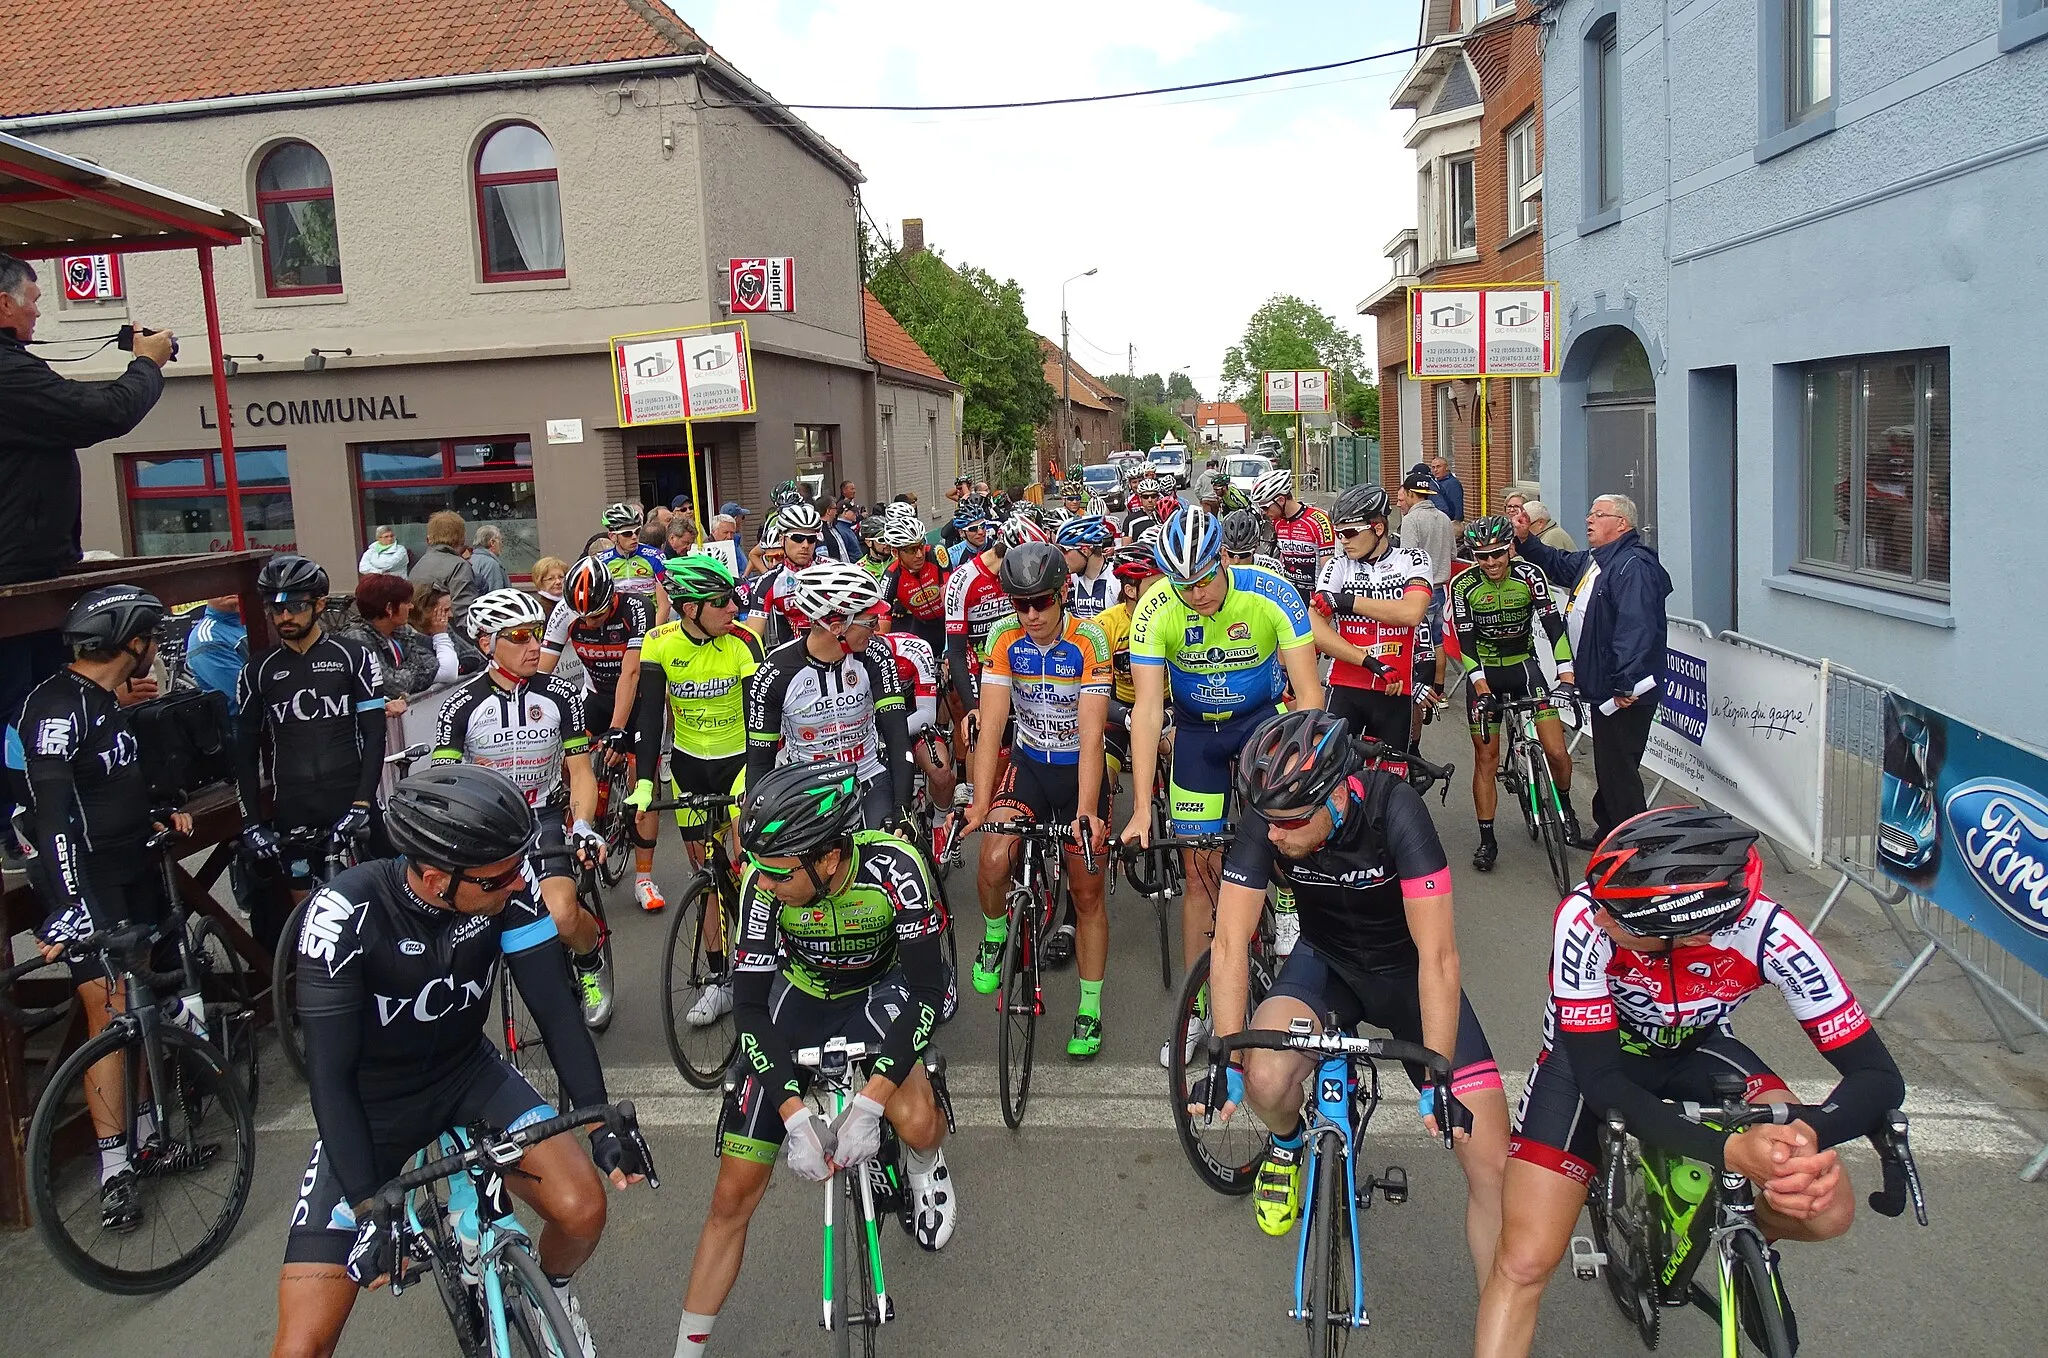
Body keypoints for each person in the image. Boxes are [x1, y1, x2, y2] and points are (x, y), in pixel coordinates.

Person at [1473, 807, 1907, 1358]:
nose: (1601, 919)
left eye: (1624, 922)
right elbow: (1603, 1082)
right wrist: (1729, 1150)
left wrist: (1807, 1136)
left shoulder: (1772, 934)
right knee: (1523, 1261)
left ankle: (1754, 1234)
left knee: (1827, 1209)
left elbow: (1876, 1075)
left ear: (1694, 932)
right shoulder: (1584, 918)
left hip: (1699, 1047)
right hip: (1593, 1059)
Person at [270, 764, 647, 1358]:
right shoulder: (343, 915)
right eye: (496, 880)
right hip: (374, 1109)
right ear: (434, 875)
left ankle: (548, 1291)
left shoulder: (506, 881)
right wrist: (370, 1205)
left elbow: (556, 1013)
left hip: (468, 1076)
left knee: (582, 1209)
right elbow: (330, 1076)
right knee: (299, 1348)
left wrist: (599, 1122)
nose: (517, 886)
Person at [1204, 709, 1507, 1284]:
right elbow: (1228, 943)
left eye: (1289, 821)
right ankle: (1289, 1143)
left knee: (1493, 1168)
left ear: (1337, 795)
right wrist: (1227, 1056)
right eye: (1266, 819)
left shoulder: (1397, 811)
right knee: (1265, 1078)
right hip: (1327, 965)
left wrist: (1439, 1075)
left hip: (1410, 977)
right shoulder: (1269, 818)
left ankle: (1501, 1315)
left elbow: (1440, 958)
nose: (1272, 834)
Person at [671, 761, 954, 1358]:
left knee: (915, 1119)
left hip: (881, 992)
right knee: (731, 1194)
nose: (762, 883)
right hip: (800, 997)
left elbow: (930, 990)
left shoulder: (897, 869)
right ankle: (687, 1350)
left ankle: (926, 1163)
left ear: (827, 859)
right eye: (759, 869)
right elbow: (748, 1009)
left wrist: (874, 1099)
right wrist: (796, 1115)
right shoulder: (761, 883)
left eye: (777, 872)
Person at [12, 584, 212, 1232]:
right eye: (153, 636)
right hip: (89, 878)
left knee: (145, 1004)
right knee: (112, 1012)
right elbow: (55, 819)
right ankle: (114, 1169)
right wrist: (72, 906)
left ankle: (151, 1140)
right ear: (132, 641)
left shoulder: (104, 702)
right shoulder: (55, 706)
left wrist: (154, 812)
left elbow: (108, 786)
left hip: (131, 866)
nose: (157, 647)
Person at [1118, 505, 1325, 1065]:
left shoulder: (1271, 593)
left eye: (1206, 577)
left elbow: (1309, 696)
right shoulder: (1156, 607)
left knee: (1280, 839)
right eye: (1183, 583)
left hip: (1264, 726)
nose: (1197, 592)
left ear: (1225, 558)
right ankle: (1199, 1011)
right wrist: (1139, 809)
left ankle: (1285, 903)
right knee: (1198, 869)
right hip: (1196, 737)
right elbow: (1147, 709)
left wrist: (1301, 780)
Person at [1, 256, 172, 865]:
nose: (39, 309)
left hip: (33, 571)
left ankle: (50, 813)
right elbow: (98, 413)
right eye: (33, 298)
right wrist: (146, 364)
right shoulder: (7, 373)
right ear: (3, 305)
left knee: (43, 702)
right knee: (22, 709)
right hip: (15, 577)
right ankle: (25, 822)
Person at [961, 541, 1115, 1056]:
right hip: (1029, 766)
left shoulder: (1088, 640)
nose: (1030, 615)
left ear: (1062, 593)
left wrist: (1088, 811)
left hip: (1078, 774)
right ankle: (993, 931)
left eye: (1041, 602)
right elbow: (992, 729)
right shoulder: (1004, 640)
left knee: (1087, 891)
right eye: (1019, 603)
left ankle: (1090, 1009)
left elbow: (1092, 737)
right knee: (992, 854)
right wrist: (982, 803)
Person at [433, 589, 612, 1027]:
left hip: (543, 816)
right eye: (517, 636)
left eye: (536, 633)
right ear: (485, 644)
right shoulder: (460, 705)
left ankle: (590, 961)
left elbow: (581, 773)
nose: (534, 646)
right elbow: (445, 784)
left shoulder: (560, 695)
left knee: (563, 914)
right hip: (485, 827)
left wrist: (584, 825)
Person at [629, 555, 763, 1026]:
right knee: (706, 873)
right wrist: (645, 780)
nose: (733, 608)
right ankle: (718, 978)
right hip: (688, 766)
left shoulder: (744, 641)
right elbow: (648, 720)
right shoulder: (658, 642)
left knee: (751, 867)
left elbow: (759, 725)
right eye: (721, 602)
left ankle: (764, 956)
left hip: (739, 763)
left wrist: (757, 782)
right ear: (689, 610)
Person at [234, 555, 389, 953]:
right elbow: (245, 752)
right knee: (305, 925)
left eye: (296, 605)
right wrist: (251, 822)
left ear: (320, 604)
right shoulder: (258, 670)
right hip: (295, 806)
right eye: (276, 608)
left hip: (348, 795)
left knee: (382, 901)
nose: (284, 616)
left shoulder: (352, 655)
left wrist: (361, 802)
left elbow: (374, 736)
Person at [1513, 493, 1670, 844]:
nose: (1589, 520)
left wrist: (1626, 683)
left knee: (1620, 769)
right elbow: (1556, 562)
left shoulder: (1634, 566)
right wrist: (1525, 540)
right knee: (1610, 764)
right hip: (1604, 684)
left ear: (1622, 524)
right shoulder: (1596, 560)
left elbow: (1636, 628)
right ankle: (1608, 831)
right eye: (1590, 513)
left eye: (1600, 515)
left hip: (1624, 691)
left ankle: (1633, 847)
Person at [1446, 517, 1584, 869]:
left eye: (1497, 555)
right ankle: (1487, 839)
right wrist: (1480, 687)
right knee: (1487, 759)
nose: (1491, 563)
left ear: (1510, 548)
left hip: (1524, 667)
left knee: (1555, 750)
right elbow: (1465, 642)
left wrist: (1566, 677)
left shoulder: (1530, 576)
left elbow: (1554, 628)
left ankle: (1564, 804)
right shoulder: (1463, 586)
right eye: (1482, 557)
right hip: (1485, 673)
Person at [744, 564, 913, 830]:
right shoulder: (775, 671)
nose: (877, 628)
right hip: (807, 789)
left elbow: (897, 737)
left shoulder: (876, 656)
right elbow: (758, 763)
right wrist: (755, 826)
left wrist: (902, 809)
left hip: (867, 777)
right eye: (870, 621)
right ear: (837, 626)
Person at [540, 558, 659, 911]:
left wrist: (618, 730)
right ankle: (576, 832)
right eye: (583, 618)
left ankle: (644, 878)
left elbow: (631, 673)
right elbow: (542, 673)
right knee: (568, 763)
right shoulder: (566, 612)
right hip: (594, 695)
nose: (589, 623)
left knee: (643, 784)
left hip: (636, 696)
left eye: (596, 615)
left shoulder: (637, 608)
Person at [1313, 483, 1435, 750]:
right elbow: (1316, 630)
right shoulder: (1337, 565)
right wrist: (1370, 663)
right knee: (1330, 773)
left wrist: (1347, 601)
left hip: (1394, 691)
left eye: (1349, 533)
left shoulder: (1413, 560)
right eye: (1338, 533)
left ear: (1378, 528)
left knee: (1391, 781)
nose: (1342, 540)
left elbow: (1412, 613)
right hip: (1346, 684)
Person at [745, 501, 829, 649]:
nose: (805, 545)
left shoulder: (831, 570)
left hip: (833, 653)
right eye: (797, 538)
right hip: (794, 656)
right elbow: (753, 638)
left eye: (811, 539)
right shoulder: (769, 581)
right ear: (782, 539)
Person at [1251, 468, 1335, 599]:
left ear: (1280, 500)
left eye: (1265, 507)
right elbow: (1282, 558)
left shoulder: (1319, 520)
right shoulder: (1277, 522)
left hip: (1315, 596)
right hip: (1289, 595)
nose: (1263, 512)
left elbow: (1328, 567)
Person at [878, 515, 947, 658]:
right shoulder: (891, 576)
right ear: (895, 552)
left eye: (921, 545)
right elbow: (882, 625)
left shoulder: (936, 553)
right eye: (911, 550)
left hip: (948, 621)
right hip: (922, 627)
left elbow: (950, 598)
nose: (919, 554)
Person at [408, 510, 480, 632]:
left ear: (429, 538)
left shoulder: (419, 564)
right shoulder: (459, 566)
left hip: (419, 635)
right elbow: (464, 615)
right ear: (461, 538)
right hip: (447, 637)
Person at [595, 502, 669, 618]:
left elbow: (664, 605)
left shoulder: (655, 557)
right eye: (627, 534)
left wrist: (652, 634)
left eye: (637, 531)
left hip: (650, 621)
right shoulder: (601, 562)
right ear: (612, 536)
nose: (634, 537)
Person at [182, 595, 248, 714]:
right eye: (221, 584)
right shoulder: (206, 639)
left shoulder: (256, 620)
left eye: (232, 581)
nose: (228, 589)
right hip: (241, 724)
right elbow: (244, 693)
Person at [1054, 515, 1117, 619]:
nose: (1061, 556)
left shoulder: (1116, 580)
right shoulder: (1069, 580)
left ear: (1085, 550)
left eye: (1065, 550)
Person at [470, 525, 511, 594]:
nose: (502, 545)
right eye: (501, 541)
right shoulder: (491, 564)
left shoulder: (470, 560)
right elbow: (495, 595)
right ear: (492, 542)